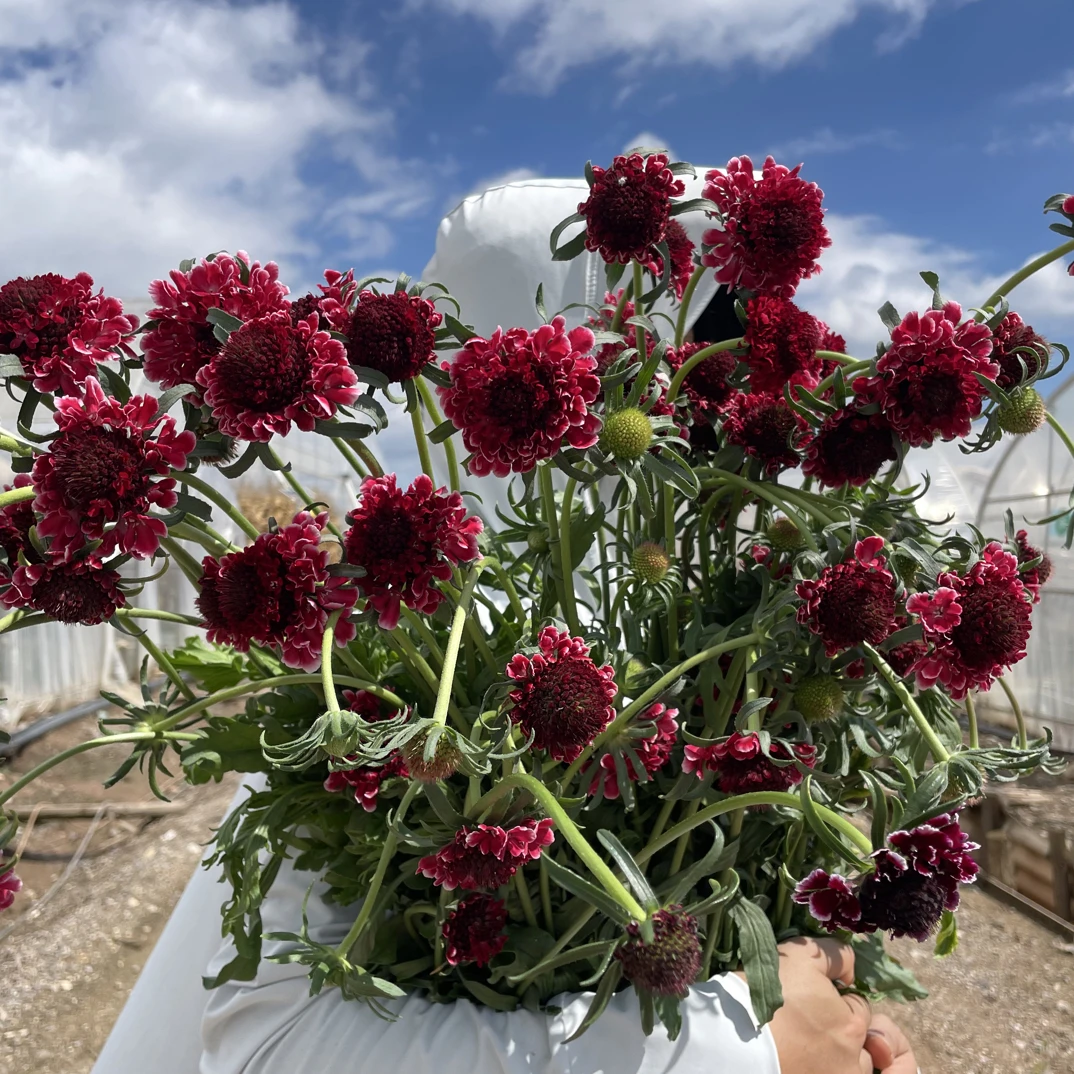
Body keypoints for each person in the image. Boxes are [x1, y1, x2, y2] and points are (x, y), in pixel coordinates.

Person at [91, 173, 918, 1074]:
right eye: (696, 339)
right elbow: (268, 1044)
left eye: (717, 349)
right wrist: (747, 1050)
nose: (719, 386)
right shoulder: (389, 657)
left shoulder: (736, 631)